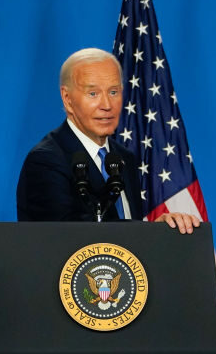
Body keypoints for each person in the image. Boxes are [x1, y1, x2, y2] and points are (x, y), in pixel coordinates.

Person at [16, 47, 197, 232]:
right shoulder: (46, 160)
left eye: (113, 92)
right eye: (93, 94)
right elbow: (65, 235)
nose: (107, 105)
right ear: (68, 99)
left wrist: (160, 232)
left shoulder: (123, 158)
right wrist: (148, 230)